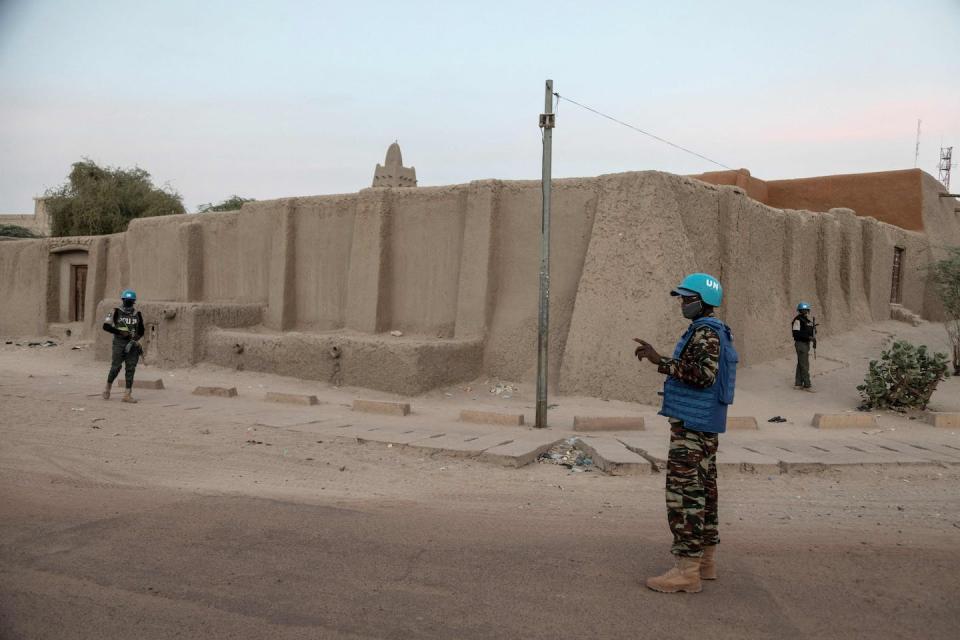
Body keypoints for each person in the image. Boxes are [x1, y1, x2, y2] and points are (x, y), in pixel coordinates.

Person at [632, 273, 738, 594]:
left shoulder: (706, 333)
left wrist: (659, 361)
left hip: (693, 429)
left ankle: (686, 571)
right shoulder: (713, 331)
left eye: (686, 298)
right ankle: (705, 562)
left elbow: (704, 375)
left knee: (685, 496)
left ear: (701, 302)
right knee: (704, 492)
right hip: (702, 424)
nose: (682, 303)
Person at [102, 289, 144, 403]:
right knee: (115, 367)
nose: (128, 302)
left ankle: (127, 394)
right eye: (127, 300)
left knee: (130, 368)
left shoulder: (137, 314)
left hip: (132, 345)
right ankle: (107, 388)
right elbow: (106, 326)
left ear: (134, 302)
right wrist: (120, 332)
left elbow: (141, 331)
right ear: (123, 300)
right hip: (119, 343)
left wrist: (135, 339)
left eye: (131, 301)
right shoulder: (115, 311)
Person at [792, 302, 817, 392]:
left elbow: (811, 331)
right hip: (800, 344)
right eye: (803, 310)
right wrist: (808, 337)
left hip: (806, 344)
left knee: (801, 364)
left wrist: (813, 331)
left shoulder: (807, 321)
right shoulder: (797, 320)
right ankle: (807, 385)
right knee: (805, 365)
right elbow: (796, 333)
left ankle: (798, 384)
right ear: (800, 310)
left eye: (806, 310)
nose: (805, 311)